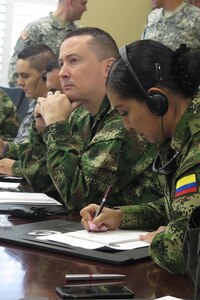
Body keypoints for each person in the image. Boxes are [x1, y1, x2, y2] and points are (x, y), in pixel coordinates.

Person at [80, 40, 200, 275]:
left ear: (157, 101)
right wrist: (121, 216)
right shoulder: (177, 137)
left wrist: (161, 240)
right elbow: (178, 207)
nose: (127, 126)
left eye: (125, 113)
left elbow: (187, 250)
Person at [17, 27, 161, 210]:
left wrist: (55, 125)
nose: (62, 73)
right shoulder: (79, 114)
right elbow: (45, 185)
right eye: (61, 64)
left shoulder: (125, 119)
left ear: (108, 68)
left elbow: (79, 198)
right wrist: (40, 129)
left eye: (74, 61)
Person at [0, 44, 55, 177]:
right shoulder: (35, 101)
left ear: (45, 76)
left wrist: (5, 149)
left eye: (25, 76)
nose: (19, 82)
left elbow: (46, 162)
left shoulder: (56, 108)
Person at [8, 0, 88, 87]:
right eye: (83, 3)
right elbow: (16, 67)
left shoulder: (81, 34)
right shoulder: (36, 29)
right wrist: (24, 97)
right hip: (36, 96)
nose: (85, 9)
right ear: (70, 2)